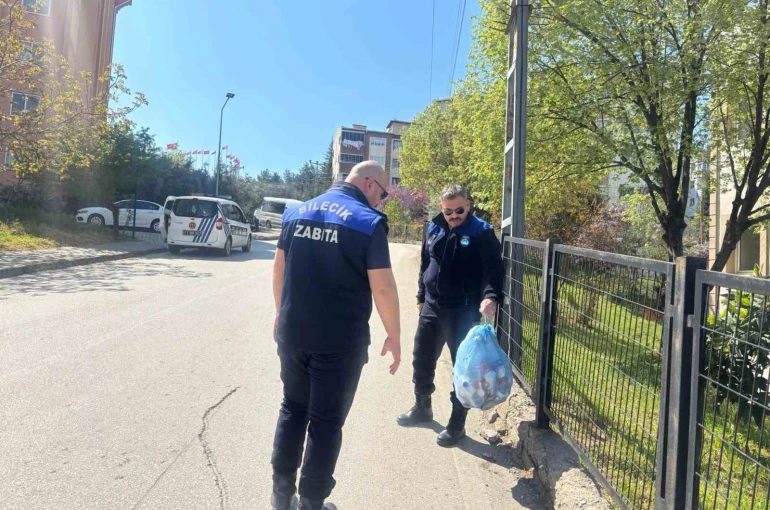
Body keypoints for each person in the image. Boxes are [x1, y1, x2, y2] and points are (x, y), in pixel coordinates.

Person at [270, 160, 401, 510]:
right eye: (384, 193)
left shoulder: (297, 212)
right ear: (370, 184)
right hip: (338, 343)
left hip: (293, 333)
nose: (382, 201)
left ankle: (281, 495)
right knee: (326, 423)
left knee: (293, 408)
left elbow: (280, 267)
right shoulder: (367, 222)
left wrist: (279, 314)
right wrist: (395, 334)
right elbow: (383, 288)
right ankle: (311, 502)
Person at [397, 184, 504, 447]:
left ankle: (457, 425)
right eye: (448, 211)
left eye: (458, 210)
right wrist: (421, 296)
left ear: (468, 205)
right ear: (441, 209)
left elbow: (494, 270)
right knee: (422, 359)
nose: (453, 215)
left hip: (463, 311)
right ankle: (422, 407)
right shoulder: (434, 226)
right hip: (432, 307)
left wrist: (490, 297)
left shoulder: (482, 232)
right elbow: (426, 262)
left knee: (463, 369)